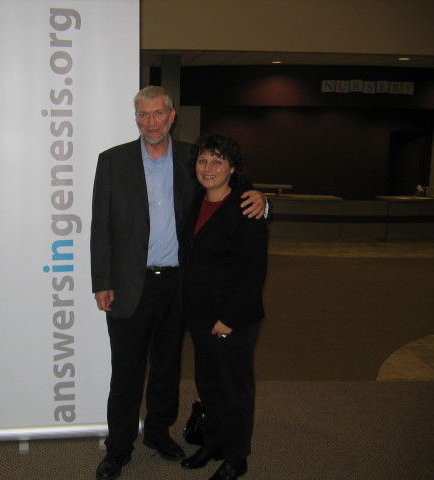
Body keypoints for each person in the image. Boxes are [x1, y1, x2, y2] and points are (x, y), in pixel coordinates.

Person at [90, 86, 267, 480]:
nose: (150, 122)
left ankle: (157, 433)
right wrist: (101, 280)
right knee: (126, 373)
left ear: (171, 117)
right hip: (127, 285)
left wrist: (263, 198)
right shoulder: (112, 161)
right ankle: (118, 448)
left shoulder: (192, 159)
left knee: (168, 369)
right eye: (143, 115)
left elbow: (230, 181)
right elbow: (100, 226)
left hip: (179, 286)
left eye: (158, 114)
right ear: (136, 118)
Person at [180, 134, 268, 480]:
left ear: (232, 168)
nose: (209, 168)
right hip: (200, 316)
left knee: (235, 389)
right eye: (203, 161)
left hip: (234, 319)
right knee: (209, 383)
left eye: (218, 161)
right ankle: (213, 442)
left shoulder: (246, 206)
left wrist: (229, 318)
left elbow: (254, 270)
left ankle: (236, 457)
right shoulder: (196, 201)